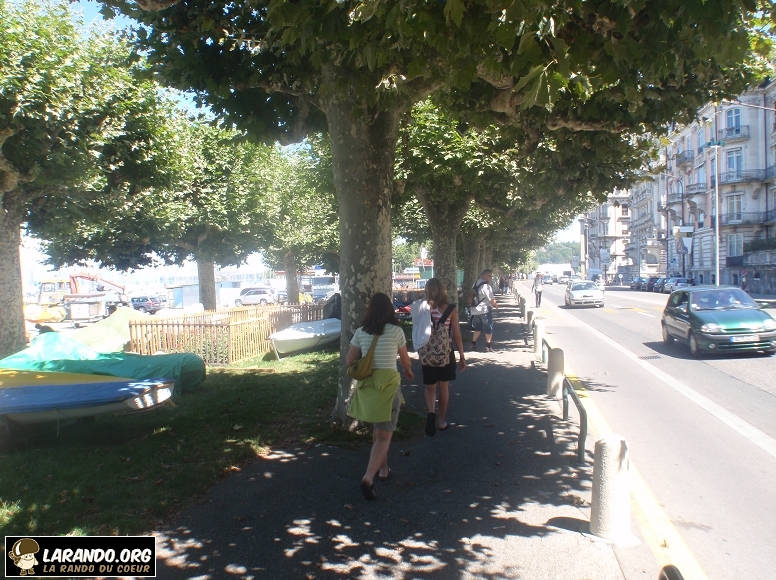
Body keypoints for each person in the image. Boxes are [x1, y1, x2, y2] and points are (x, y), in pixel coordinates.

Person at [346, 293, 414, 500]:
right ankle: (368, 477)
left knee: (379, 429)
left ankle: (383, 470)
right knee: (385, 435)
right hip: (388, 387)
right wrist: (408, 371)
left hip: (369, 386)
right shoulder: (396, 331)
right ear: (389, 310)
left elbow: (349, 360)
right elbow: (405, 360)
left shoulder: (361, 332)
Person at [411, 278, 466, 437]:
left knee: (429, 387)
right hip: (445, 354)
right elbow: (456, 335)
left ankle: (431, 412)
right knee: (444, 387)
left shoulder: (421, 308)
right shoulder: (451, 309)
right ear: (443, 290)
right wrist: (462, 356)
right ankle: (441, 421)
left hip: (427, 354)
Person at [469, 269, 499, 352]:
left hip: (475, 310)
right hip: (484, 310)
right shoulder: (486, 286)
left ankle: (473, 344)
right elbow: (491, 299)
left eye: (491, 276)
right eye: (489, 275)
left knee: (478, 327)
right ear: (484, 275)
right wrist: (496, 305)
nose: (490, 277)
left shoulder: (475, 283)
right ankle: (487, 347)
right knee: (488, 327)